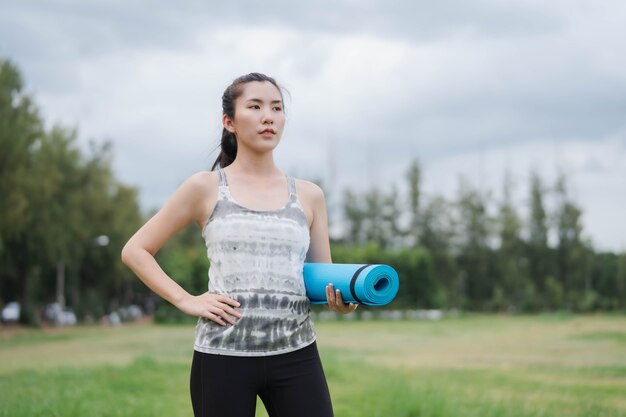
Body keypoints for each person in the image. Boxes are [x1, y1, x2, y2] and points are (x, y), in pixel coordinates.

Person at [121, 72, 358, 417]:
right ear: (229, 121)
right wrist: (185, 299)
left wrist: (343, 301)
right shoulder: (205, 188)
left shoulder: (309, 195)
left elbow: (320, 277)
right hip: (222, 357)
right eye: (255, 106)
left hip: (296, 355)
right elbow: (135, 251)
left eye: (277, 108)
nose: (268, 116)